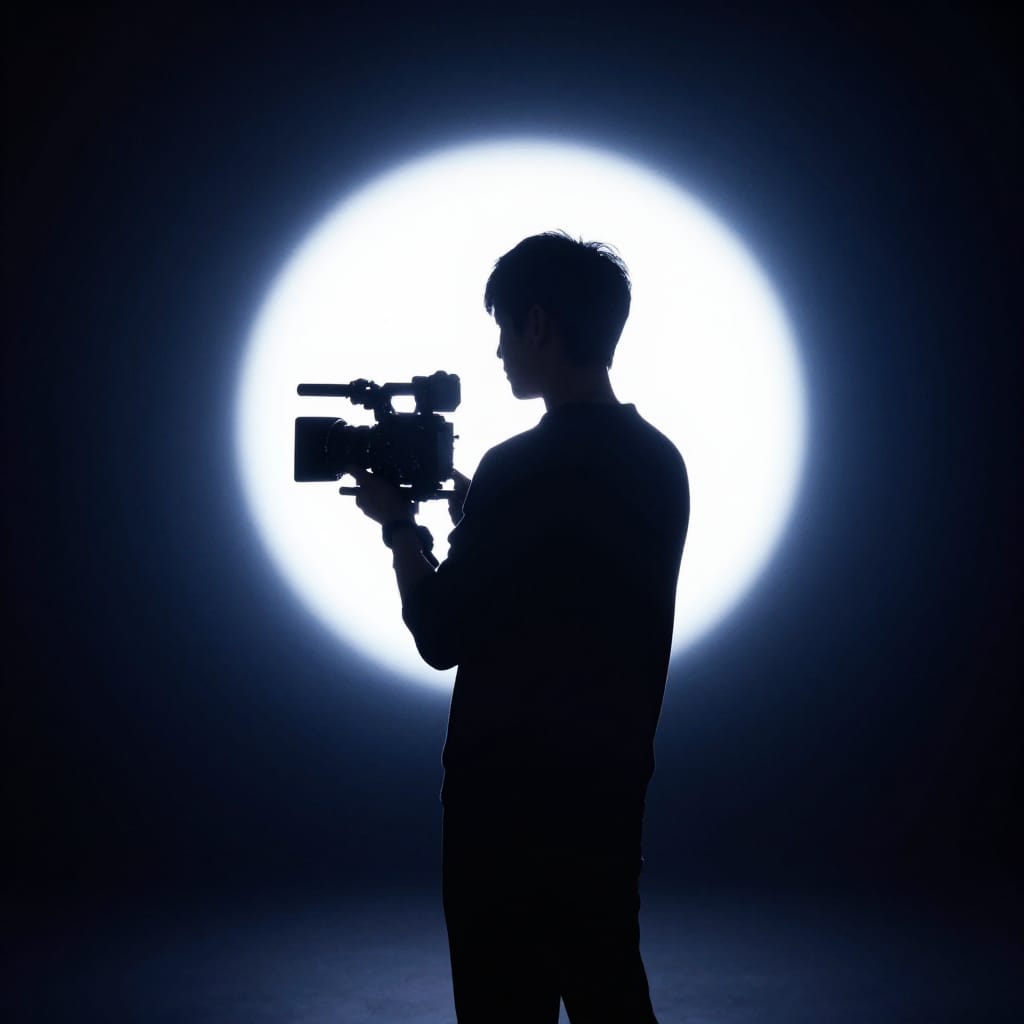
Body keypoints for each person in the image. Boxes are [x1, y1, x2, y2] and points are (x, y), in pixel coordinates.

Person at [348, 232, 689, 1023]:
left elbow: (439, 634)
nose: (499, 351)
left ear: (538, 324)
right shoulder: (661, 461)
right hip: (609, 785)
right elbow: (581, 585)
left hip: (502, 803)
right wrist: (483, 524)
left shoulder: (515, 467)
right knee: (612, 993)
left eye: (505, 328)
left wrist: (403, 530)